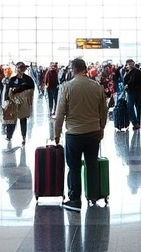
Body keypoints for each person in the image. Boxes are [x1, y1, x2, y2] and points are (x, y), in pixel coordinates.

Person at [52, 57, 108, 212]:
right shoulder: (97, 87)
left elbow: (60, 113)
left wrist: (57, 133)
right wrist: (101, 127)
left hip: (74, 134)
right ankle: (93, 196)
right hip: (93, 132)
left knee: (74, 167)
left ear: (73, 69)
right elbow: (104, 110)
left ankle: (75, 200)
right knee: (92, 165)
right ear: (85, 69)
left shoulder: (66, 87)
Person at [3, 62, 35, 145]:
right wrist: (6, 100)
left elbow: (31, 90)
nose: (20, 71)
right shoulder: (13, 79)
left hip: (23, 104)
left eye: (21, 69)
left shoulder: (28, 79)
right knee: (11, 120)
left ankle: (23, 137)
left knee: (23, 120)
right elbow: (8, 90)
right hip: (13, 103)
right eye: (18, 69)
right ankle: (9, 136)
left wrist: (19, 90)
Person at [123, 59, 141, 130]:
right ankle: (137, 122)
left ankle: (135, 122)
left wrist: (130, 85)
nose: (130, 65)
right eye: (129, 64)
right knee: (136, 107)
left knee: (131, 106)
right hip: (136, 91)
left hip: (133, 91)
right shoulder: (128, 72)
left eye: (131, 64)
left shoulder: (137, 72)